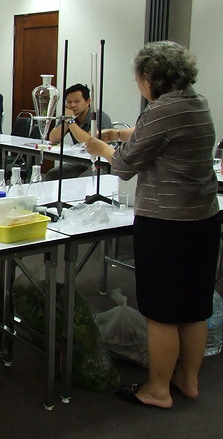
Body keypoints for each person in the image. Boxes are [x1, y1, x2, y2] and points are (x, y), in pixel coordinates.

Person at [84, 41, 219, 410]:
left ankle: (158, 390)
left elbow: (124, 166)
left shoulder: (160, 110)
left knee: (162, 313)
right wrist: (119, 134)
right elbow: (160, 138)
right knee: (194, 308)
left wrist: (101, 148)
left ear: (149, 77)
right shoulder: (197, 102)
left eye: (138, 79)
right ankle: (187, 379)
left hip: (167, 224)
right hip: (203, 220)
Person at [46, 83, 113, 180]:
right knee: (53, 175)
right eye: (69, 102)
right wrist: (67, 120)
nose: (72, 105)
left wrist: (70, 121)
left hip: (102, 161)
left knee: (83, 180)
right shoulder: (69, 115)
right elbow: (53, 138)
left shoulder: (98, 117)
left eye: (77, 101)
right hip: (81, 160)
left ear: (88, 102)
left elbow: (89, 142)